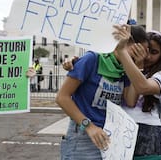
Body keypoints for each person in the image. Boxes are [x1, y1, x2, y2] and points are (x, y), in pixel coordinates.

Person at [55, 25, 149, 160]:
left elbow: (130, 101)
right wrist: (89, 126)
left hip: (109, 136)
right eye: (139, 50)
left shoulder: (126, 69)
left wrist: (138, 66)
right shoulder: (92, 59)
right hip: (83, 135)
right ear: (126, 41)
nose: (142, 55)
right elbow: (62, 97)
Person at [114, 26, 161, 156]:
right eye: (145, 50)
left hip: (148, 131)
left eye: (154, 52)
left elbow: (143, 87)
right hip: (125, 129)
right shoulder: (130, 69)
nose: (147, 56)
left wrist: (136, 64)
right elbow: (130, 101)